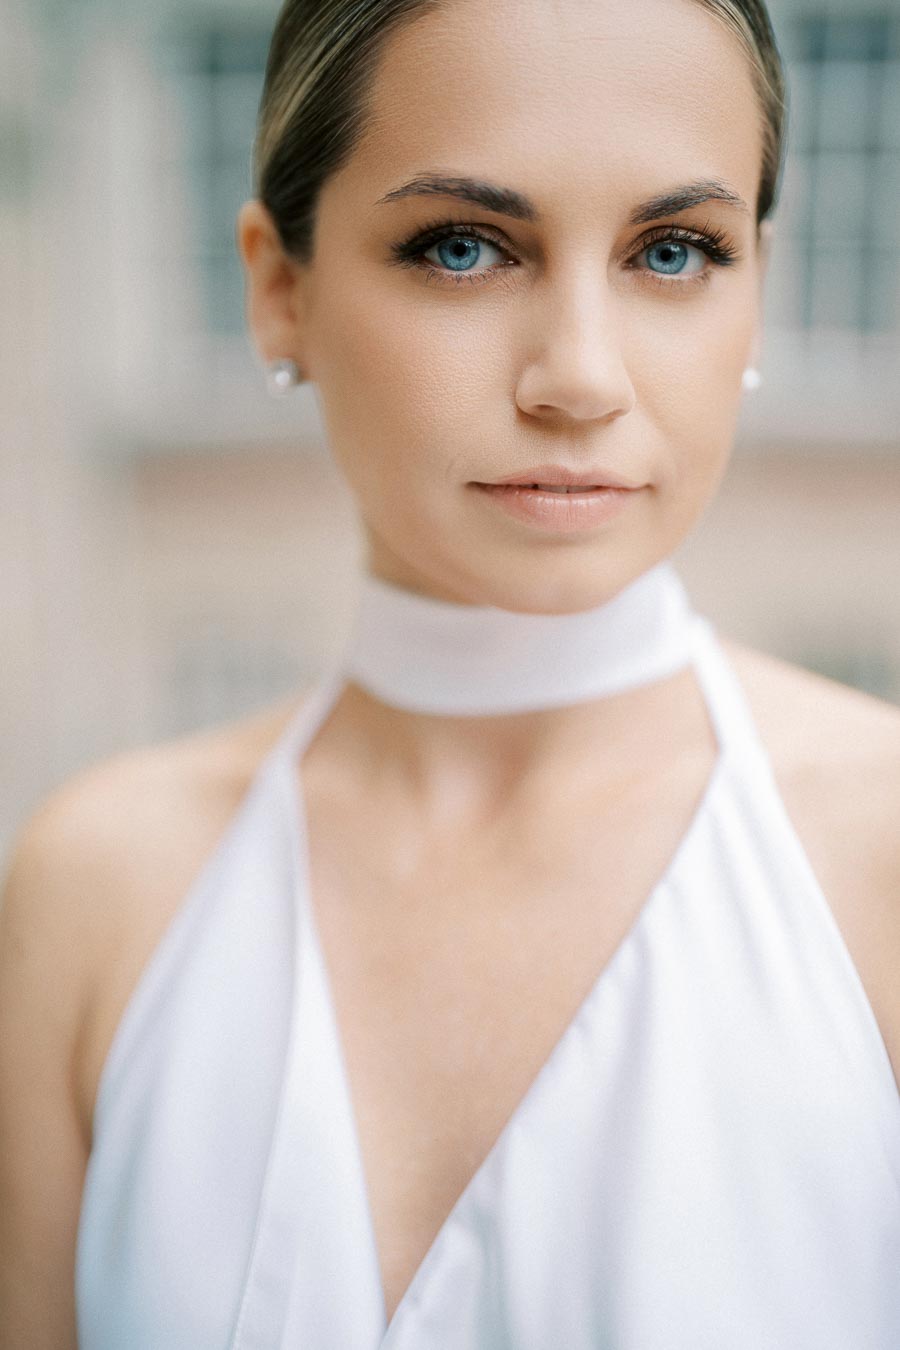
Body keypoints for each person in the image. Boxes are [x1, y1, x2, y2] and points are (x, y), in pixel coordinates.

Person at [1, 0, 899, 1345]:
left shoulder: (881, 852)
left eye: (674, 251)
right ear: (277, 286)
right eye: (464, 247)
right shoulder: (100, 888)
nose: (581, 378)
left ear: (755, 285)